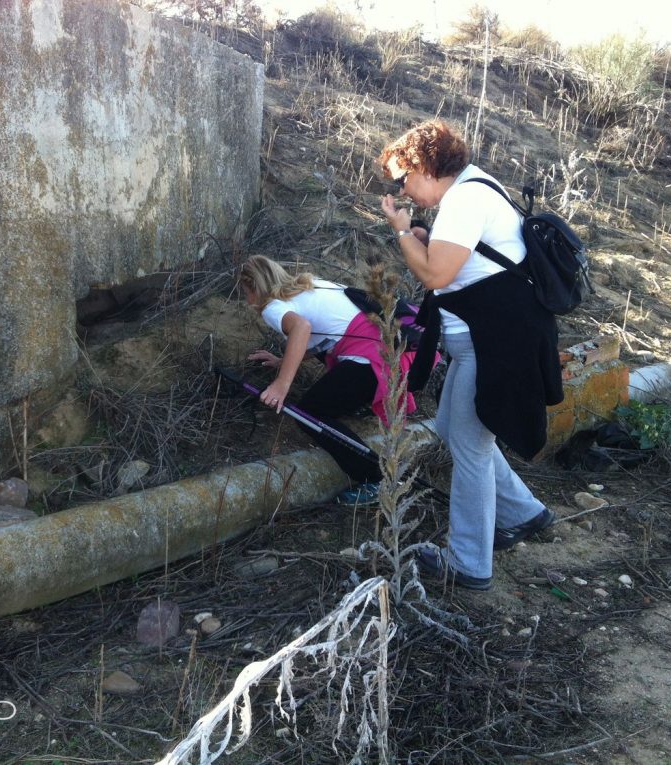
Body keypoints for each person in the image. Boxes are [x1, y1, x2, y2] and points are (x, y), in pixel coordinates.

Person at [378, 119, 563, 591]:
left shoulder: (465, 198)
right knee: (452, 429)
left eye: (403, 180)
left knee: (470, 445)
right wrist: (419, 238)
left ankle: (468, 562)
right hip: (494, 339)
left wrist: (401, 233)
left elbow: (436, 277)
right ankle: (524, 512)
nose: (403, 191)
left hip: (499, 342)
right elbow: (461, 264)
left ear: (423, 165)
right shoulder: (471, 189)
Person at [239, 255, 419, 506]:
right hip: (392, 350)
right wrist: (284, 360)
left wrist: (281, 384)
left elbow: (301, 329)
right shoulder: (310, 286)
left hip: (373, 360)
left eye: (245, 293)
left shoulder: (272, 306)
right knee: (325, 391)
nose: (248, 302)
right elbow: (325, 334)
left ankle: (375, 479)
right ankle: (359, 407)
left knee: (309, 413)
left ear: (254, 288)